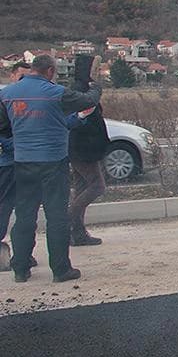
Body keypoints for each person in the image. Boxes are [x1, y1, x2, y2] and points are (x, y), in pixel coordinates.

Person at [0, 55, 101, 283]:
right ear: (50, 70)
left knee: (25, 215)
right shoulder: (56, 93)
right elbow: (87, 100)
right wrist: (97, 87)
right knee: (56, 216)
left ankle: (21, 268)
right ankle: (61, 269)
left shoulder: (7, 94)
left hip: (23, 163)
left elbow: (4, 127)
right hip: (53, 162)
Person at [68, 56, 110, 246]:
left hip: (82, 147)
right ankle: (69, 221)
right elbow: (83, 116)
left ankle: (77, 233)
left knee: (81, 188)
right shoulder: (81, 90)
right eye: (96, 69)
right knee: (96, 186)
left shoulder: (80, 88)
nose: (99, 72)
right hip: (83, 149)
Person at [0, 62, 33, 272]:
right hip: (9, 162)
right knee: (6, 205)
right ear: (12, 76)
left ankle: (23, 254)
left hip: (23, 160)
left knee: (24, 208)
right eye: (21, 77)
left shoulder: (28, 100)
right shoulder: (5, 100)